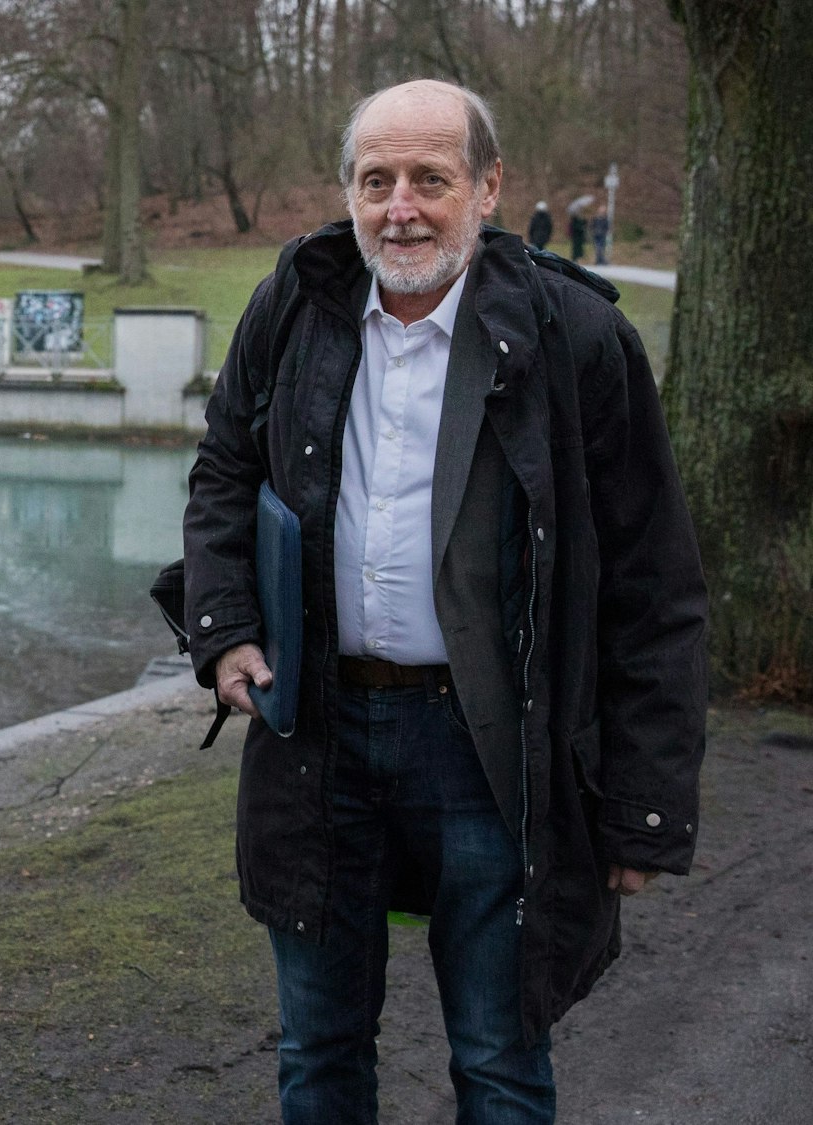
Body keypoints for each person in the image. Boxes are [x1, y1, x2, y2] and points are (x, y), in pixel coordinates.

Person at [182, 80, 706, 1124]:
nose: (399, 208)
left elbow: (654, 585)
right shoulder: (294, 303)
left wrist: (641, 812)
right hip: (316, 734)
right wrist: (225, 629)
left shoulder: (573, 338)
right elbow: (223, 472)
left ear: (488, 185)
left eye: (430, 178)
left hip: (494, 746)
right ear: (347, 191)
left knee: (498, 1061)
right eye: (374, 181)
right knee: (316, 1054)